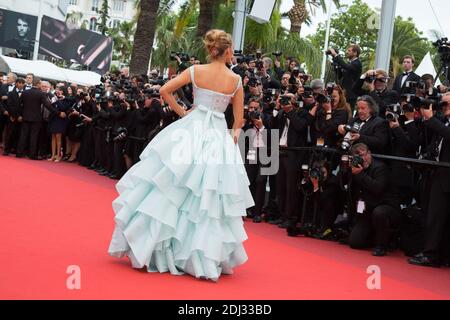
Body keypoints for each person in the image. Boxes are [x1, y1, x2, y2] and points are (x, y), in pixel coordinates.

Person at [108, 30, 254, 281]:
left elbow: (165, 90)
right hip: (217, 134)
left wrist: (183, 113)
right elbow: (239, 120)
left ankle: (156, 246)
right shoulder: (236, 80)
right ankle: (197, 255)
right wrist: (232, 138)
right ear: (227, 50)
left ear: (211, 50)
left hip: (191, 127)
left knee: (171, 184)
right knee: (208, 195)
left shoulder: (196, 71)